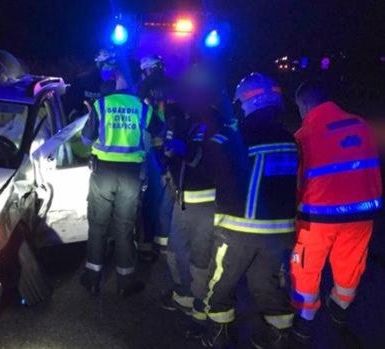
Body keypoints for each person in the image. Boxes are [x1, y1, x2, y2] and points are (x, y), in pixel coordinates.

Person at [200, 73, 297, 348]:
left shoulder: (238, 135)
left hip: (238, 230)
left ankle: (219, 336)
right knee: (267, 285)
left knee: (220, 284)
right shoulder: (289, 138)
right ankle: (279, 336)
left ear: (248, 101)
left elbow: (210, 166)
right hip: (279, 233)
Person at [290, 81, 382, 344]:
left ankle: (305, 323)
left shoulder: (305, 134)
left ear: (305, 104)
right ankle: (339, 310)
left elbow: (298, 181)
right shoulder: (362, 126)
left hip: (317, 218)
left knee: (306, 269)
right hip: (361, 216)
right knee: (350, 266)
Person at [80, 63, 164, 297]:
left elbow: (86, 141)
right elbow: (160, 130)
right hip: (131, 175)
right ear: (136, 79)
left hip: (103, 173)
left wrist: (91, 118)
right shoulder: (140, 106)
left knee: (98, 225)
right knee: (124, 228)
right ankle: (125, 282)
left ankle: (93, 277)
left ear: (117, 77)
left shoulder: (102, 104)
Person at [160, 65, 220, 330]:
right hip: (182, 200)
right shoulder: (186, 119)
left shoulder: (215, 123)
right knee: (175, 250)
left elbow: (206, 162)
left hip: (205, 205)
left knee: (200, 257)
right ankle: (183, 294)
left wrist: (184, 151)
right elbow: (175, 156)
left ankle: (201, 306)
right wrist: (170, 153)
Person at [135, 54, 176, 260]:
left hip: (152, 147)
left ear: (147, 69)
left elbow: (143, 118)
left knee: (151, 198)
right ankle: (165, 241)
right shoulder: (173, 84)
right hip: (174, 147)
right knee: (170, 197)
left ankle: (146, 244)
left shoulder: (142, 87)